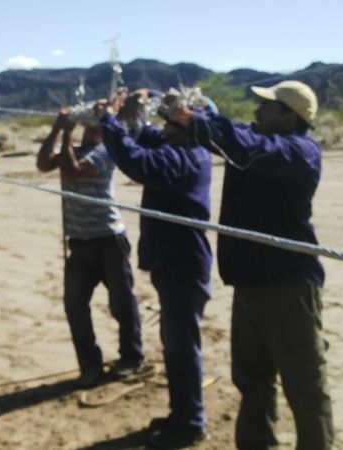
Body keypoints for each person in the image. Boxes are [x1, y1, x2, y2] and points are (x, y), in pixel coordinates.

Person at [170, 80, 333, 450]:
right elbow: (233, 134)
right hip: (250, 286)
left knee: (305, 387)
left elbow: (245, 146)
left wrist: (198, 120)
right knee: (252, 382)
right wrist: (189, 113)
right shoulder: (259, 139)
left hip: (288, 287)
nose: (257, 112)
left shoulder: (299, 151)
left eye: (268, 107)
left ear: (289, 119)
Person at [98, 90, 213, 449]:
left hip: (183, 265)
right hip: (174, 264)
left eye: (172, 124)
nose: (163, 129)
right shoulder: (179, 149)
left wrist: (109, 121)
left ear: (191, 130)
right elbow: (143, 136)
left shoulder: (185, 159)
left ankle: (190, 423)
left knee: (182, 347)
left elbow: (136, 160)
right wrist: (131, 114)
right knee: (175, 345)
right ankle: (181, 415)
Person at [36, 109, 144, 387]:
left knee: (121, 303)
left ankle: (131, 358)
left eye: (96, 125)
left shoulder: (107, 151)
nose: (91, 128)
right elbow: (43, 163)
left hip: (108, 239)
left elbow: (74, 170)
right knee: (75, 305)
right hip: (79, 241)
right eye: (89, 124)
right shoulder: (73, 149)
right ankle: (90, 366)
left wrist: (66, 133)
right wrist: (58, 129)